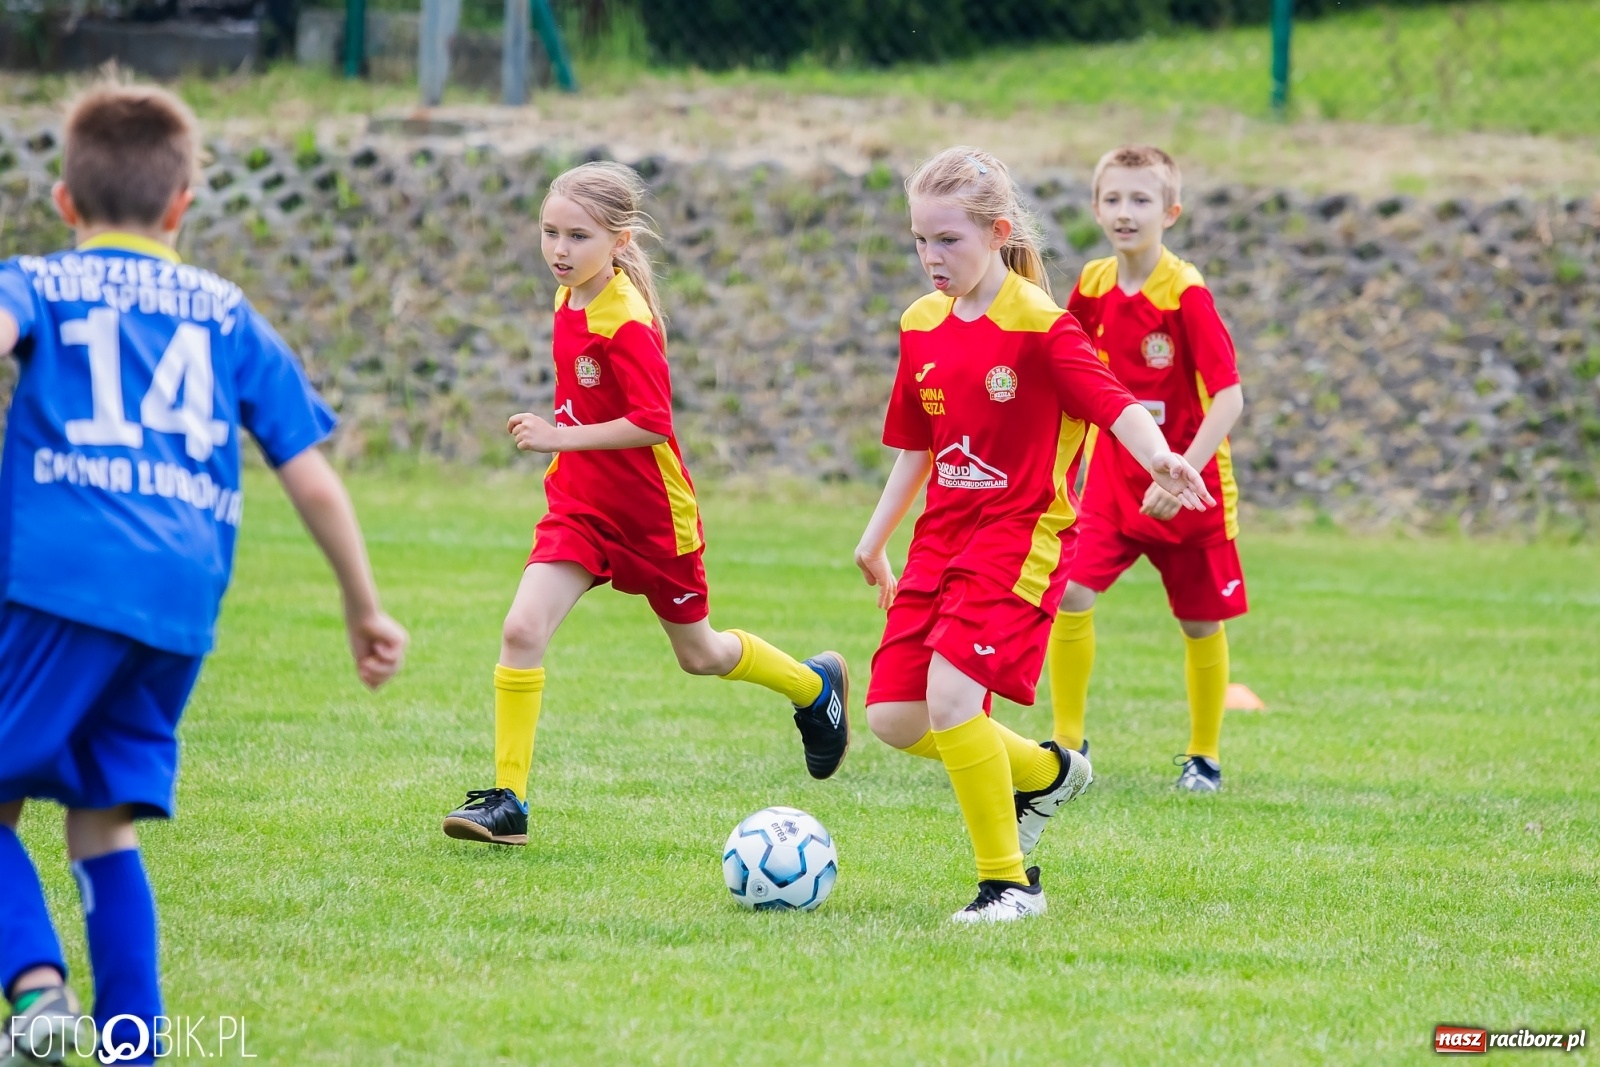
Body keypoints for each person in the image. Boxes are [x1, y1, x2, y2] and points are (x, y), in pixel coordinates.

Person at [0, 82, 407, 1064]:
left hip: (64, 576)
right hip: (181, 598)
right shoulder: (226, 312)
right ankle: (131, 1043)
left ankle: (35, 986)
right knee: (103, 821)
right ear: (183, 204)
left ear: (64, 202)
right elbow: (307, 472)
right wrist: (363, 604)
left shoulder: (40, 281)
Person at [441, 161, 849, 847]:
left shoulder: (626, 319)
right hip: (579, 505)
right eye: (549, 233)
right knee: (521, 630)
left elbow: (654, 421)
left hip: (652, 514)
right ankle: (509, 802)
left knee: (701, 654)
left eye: (577, 236)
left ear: (621, 240)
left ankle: (813, 688)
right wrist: (564, 447)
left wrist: (556, 434)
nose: (559, 250)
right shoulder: (566, 299)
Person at [854, 147, 1214, 923]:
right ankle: (1049, 772)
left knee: (953, 699)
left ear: (998, 232)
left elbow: (1115, 403)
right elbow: (918, 444)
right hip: (939, 540)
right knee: (894, 717)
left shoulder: (1042, 326)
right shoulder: (921, 324)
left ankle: (1008, 885)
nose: (931, 257)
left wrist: (1162, 459)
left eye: (948, 240)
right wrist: (876, 537)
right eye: (920, 240)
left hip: (1020, 537)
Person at [1046, 146, 1246, 793]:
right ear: (1096, 208)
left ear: (1171, 212)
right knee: (1070, 591)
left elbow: (1230, 396)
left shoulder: (1185, 293)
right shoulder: (1094, 284)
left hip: (1190, 489)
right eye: (1113, 199)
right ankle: (1069, 748)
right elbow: (1066, 372)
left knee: (1198, 621)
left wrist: (1180, 472)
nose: (1125, 213)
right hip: (1112, 483)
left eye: (1141, 200)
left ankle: (1204, 757)